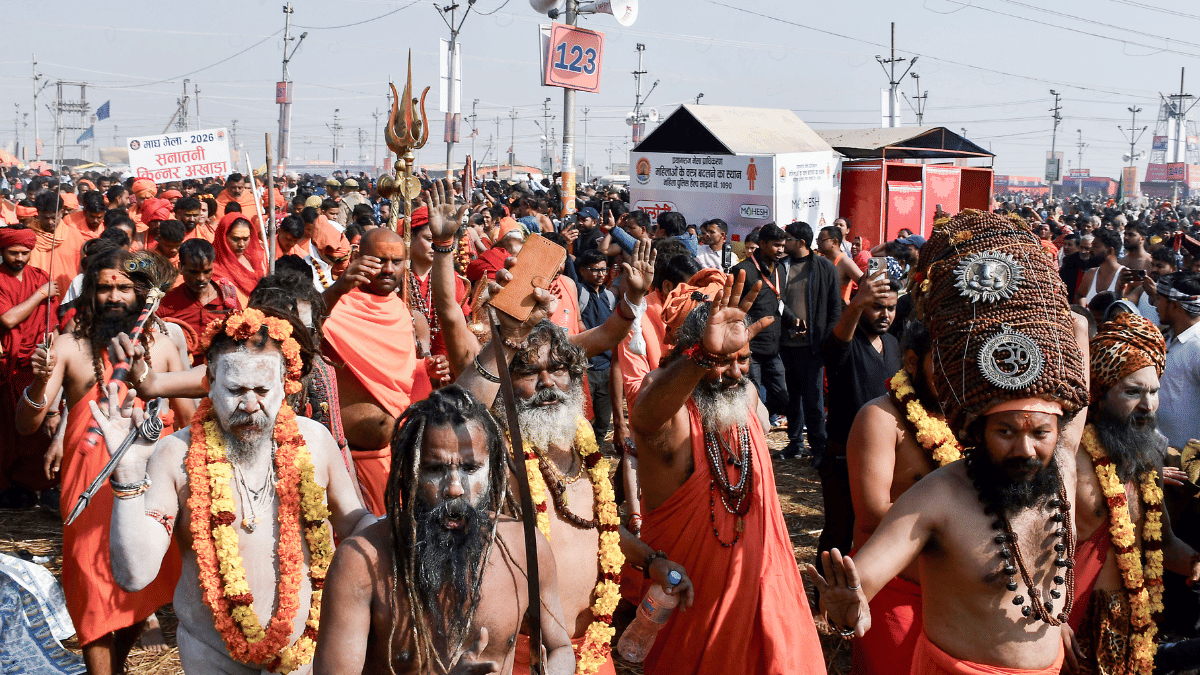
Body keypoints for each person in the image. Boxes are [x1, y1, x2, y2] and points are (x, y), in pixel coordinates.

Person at [808, 209, 1090, 675]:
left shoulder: (1057, 471)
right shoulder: (940, 493)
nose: (1025, 450)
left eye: (1040, 433)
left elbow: (1077, 374)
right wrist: (849, 606)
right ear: (974, 430)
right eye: (1005, 432)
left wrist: (1049, 313)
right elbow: (872, 574)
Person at [90, 306, 374, 674]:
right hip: (213, 658)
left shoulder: (314, 441)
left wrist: (396, 532)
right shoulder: (176, 454)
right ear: (209, 380)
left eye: (262, 390)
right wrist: (128, 475)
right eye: (236, 390)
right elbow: (135, 575)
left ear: (286, 384)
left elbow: (355, 524)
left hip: (306, 657)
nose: (251, 404)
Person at [627, 271, 826, 675]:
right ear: (690, 355)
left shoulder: (748, 397)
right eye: (722, 360)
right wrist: (705, 358)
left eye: (743, 358)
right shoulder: (672, 416)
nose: (735, 372)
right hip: (695, 611)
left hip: (766, 592)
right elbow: (645, 417)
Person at [16, 249, 194, 675]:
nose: (113, 296)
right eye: (104, 287)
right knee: (90, 583)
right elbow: (26, 425)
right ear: (90, 294)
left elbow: (188, 419)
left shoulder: (163, 347)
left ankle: (116, 662)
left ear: (140, 294)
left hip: (147, 483)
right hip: (86, 488)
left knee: (141, 581)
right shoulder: (68, 346)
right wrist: (41, 381)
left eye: (123, 287)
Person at [314, 388, 577, 675]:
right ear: (407, 472)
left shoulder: (524, 547)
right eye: (436, 469)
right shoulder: (360, 562)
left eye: (470, 468)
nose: (454, 487)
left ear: (492, 471)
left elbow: (560, 647)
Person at [1068, 312, 1200, 674]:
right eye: (1132, 392)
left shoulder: (1148, 454)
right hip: (1070, 635)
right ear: (1099, 393)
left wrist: (1196, 564)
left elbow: (1164, 542)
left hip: (1132, 631)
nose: (1148, 406)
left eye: (1154, 392)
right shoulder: (1068, 456)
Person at [844, 321, 958, 675]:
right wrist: (956, 529)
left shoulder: (967, 418)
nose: (955, 375)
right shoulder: (878, 418)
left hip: (953, 594)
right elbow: (872, 512)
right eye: (943, 363)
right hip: (892, 592)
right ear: (911, 361)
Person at [321, 227, 434, 515]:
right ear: (358, 258)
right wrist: (339, 287)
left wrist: (427, 369)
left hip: (394, 458)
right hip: (343, 461)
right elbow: (302, 326)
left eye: (396, 261)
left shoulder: (402, 312)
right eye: (379, 260)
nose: (388, 269)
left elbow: (397, 376)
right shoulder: (337, 305)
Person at [819, 271, 902, 560]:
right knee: (838, 532)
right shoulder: (845, 342)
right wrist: (855, 305)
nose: (885, 315)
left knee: (875, 532)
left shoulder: (892, 345)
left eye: (891, 308)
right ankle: (824, 602)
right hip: (843, 456)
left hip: (886, 459)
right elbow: (835, 346)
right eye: (877, 306)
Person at [0, 227, 60, 502]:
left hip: (38, 363)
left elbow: (54, 322)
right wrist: (39, 295)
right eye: (14, 252)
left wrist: (53, 347)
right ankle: (11, 486)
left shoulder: (40, 276)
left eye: (25, 252)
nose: (20, 258)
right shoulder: (2, 280)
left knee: (40, 430)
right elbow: (8, 320)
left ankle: (42, 484)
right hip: (9, 366)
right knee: (9, 430)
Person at [777, 221, 841, 460]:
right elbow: (776, 301)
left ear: (801, 242)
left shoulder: (824, 267)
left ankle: (818, 448)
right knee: (791, 398)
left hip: (813, 347)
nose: (784, 243)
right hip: (785, 345)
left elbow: (835, 307)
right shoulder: (781, 267)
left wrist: (827, 339)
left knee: (813, 399)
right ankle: (794, 443)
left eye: (788, 238)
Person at [731, 223, 787, 429]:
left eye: (783, 245)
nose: (781, 250)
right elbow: (732, 308)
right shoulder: (743, 271)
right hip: (750, 349)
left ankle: (766, 419)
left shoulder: (779, 269)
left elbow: (779, 302)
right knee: (751, 396)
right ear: (762, 244)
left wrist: (793, 320)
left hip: (773, 348)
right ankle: (753, 433)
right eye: (776, 245)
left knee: (782, 395)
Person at [156, 239, 240, 365]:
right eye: (194, 272)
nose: (201, 278)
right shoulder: (166, 302)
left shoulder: (228, 296)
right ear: (180, 268)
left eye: (206, 271)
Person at [1154, 271, 1200, 451]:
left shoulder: (1197, 346)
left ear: (1174, 306)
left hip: (1190, 464)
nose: (1155, 304)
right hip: (1163, 456)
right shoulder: (1167, 338)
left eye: (1159, 299)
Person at [575, 249, 617, 441]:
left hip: (606, 367)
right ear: (582, 271)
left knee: (602, 421)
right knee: (583, 421)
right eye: (595, 270)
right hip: (586, 367)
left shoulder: (609, 296)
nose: (601, 274)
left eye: (604, 269)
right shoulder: (579, 292)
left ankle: (597, 458)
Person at [28, 191, 86, 301]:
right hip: (35, 299)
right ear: (38, 213)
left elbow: (82, 269)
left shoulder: (75, 235)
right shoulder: (28, 236)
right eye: (45, 218)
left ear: (61, 212)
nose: (50, 222)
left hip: (67, 298)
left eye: (54, 217)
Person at [213, 212, 268, 307]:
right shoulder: (213, 266)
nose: (241, 244)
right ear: (223, 237)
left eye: (246, 239)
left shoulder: (256, 260)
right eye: (235, 239)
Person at [1076, 228, 1126, 306]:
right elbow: (1080, 295)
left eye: (1095, 246)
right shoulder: (1090, 274)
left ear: (1110, 251)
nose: (1090, 250)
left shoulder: (1124, 275)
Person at [818, 224, 864, 304]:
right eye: (817, 240)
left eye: (822, 240)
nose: (818, 243)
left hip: (840, 314)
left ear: (834, 242)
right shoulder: (821, 261)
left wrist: (855, 307)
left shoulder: (845, 262)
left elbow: (865, 284)